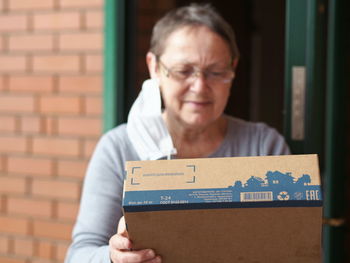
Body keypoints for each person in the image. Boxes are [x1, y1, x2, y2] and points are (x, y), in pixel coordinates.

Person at [65, 3, 290, 263]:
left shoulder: (264, 147)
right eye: (184, 71)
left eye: (216, 72)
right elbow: (79, 254)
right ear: (154, 67)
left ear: (233, 69)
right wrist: (114, 257)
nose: (200, 86)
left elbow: (297, 248)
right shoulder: (119, 147)